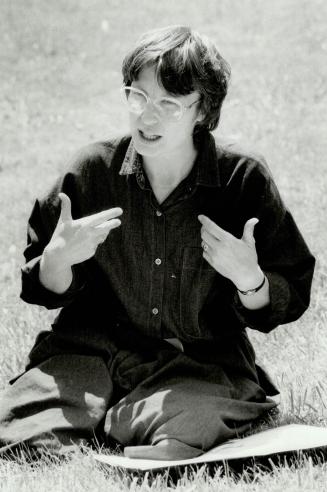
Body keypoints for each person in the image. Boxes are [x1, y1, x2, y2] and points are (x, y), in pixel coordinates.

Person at [0, 25, 315, 460]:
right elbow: (38, 283)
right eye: (139, 97)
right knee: (23, 435)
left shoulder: (242, 179)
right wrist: (58, 260)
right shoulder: (91, 171)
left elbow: (291, 288)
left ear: (202, 111)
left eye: (169, 103)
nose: (148, 117)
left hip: (197, 364)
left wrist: (250, 280)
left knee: (185, 429)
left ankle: (127, 417)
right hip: (89, 354)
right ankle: (102, 411)